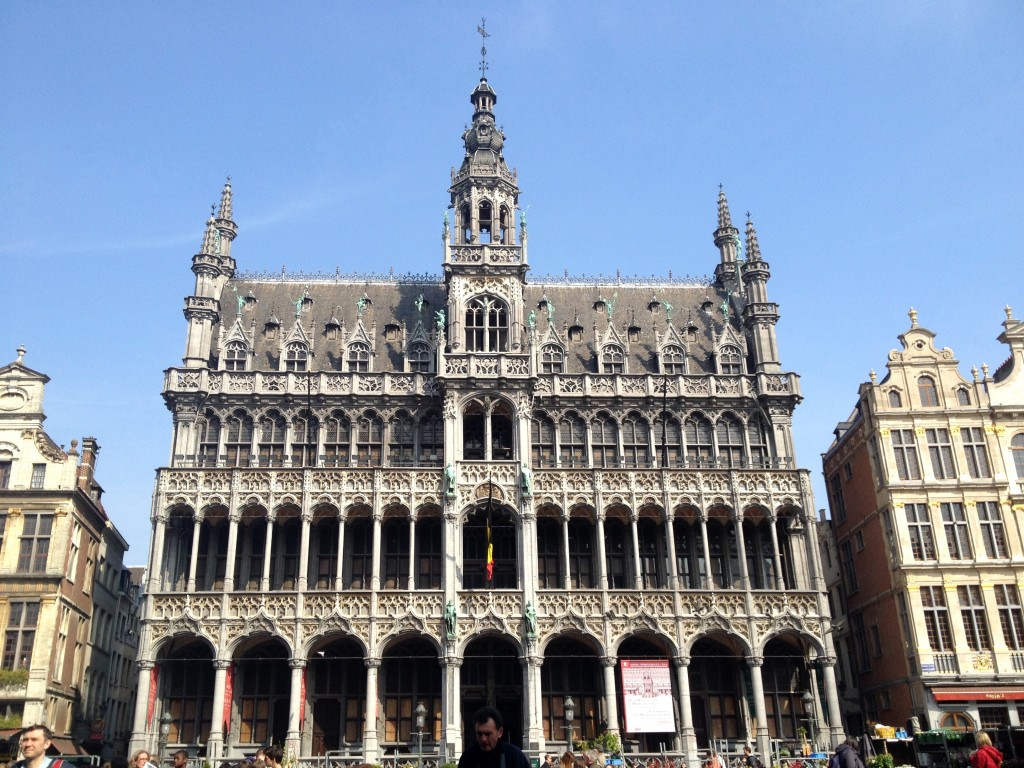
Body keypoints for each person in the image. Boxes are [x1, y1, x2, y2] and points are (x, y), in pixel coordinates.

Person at [458, 706, 530, 768]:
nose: (483, 739)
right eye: (479, 734)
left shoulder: (515, 756)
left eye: (488, 734)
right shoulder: (467, 758)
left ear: (500, 732)